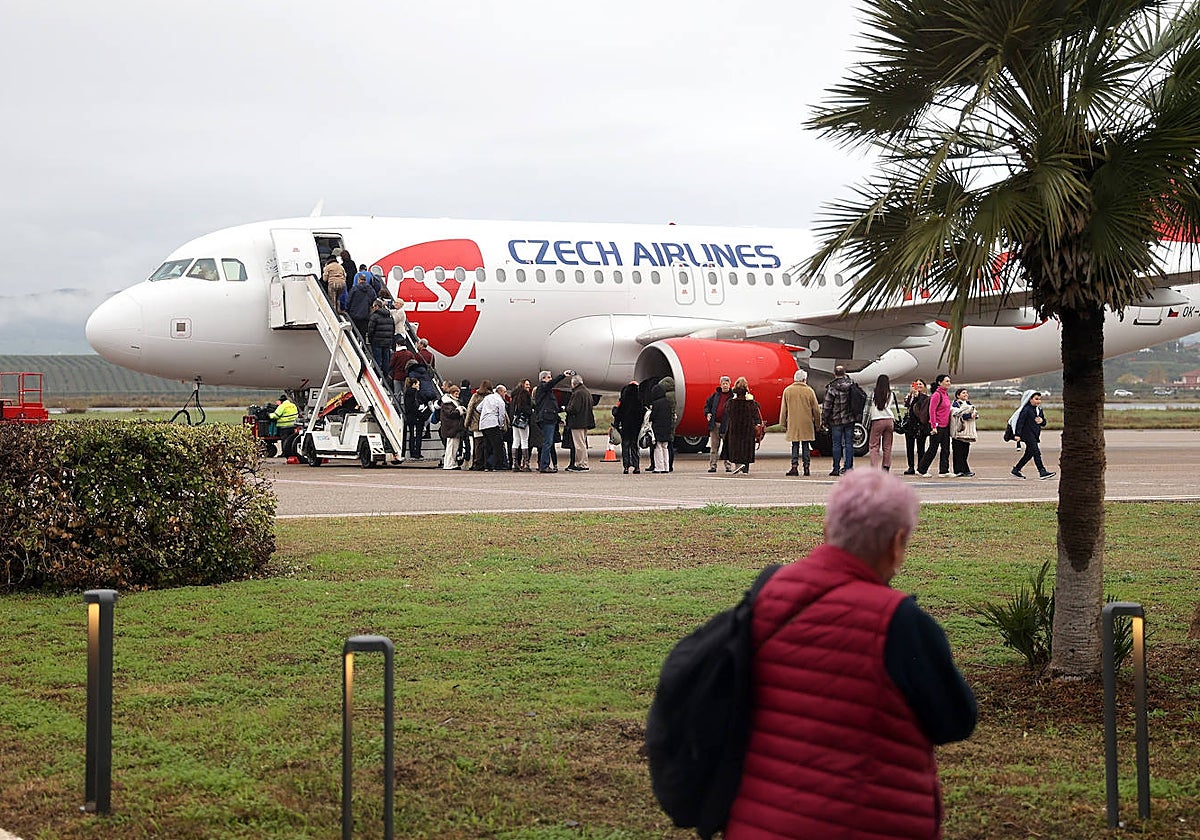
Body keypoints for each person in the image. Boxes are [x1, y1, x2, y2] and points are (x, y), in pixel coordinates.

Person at [723, 469, 977, 839]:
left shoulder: (768, 593)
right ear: (897, 544)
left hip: (759, 822)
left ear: (827, 531)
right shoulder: (901, 623)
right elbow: (956, 720)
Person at [779, 369, 821, 476]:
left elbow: (784, 409)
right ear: (804, 379)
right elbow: (816, 409)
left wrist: (783, 423)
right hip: (806, 422)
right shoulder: (809, 391)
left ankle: (794, 467)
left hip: (793, 422)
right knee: (806, 445)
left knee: (795, 445)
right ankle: (806, 467)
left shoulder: (788, 391)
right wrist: (817, 423)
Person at [1010, 391, 1056, 479]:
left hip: (1035, 435)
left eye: (1039, 399)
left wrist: (1042, 421)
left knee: (1029, 454)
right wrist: (1017, 434)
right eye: (1036, 399)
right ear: (1030, 399)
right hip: (1027, 435)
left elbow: (1044, 423)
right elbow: (1020, 422)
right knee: (1036, 452)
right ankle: (1042, 471)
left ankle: (1016, 469)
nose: (1038, 401)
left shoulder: (1039, 410)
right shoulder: (1026, 410)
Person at [720, 376, 761, 475]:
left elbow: (727, 410)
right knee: (746, 448)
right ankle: (745, 468)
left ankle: (738, 465)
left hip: (735, 429)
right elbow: (756, 413)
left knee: (736, 448)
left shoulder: (731, 402)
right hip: (748, 429)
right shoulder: (751, 403)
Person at [821, 365, 855, 476]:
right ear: (844, 373)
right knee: (849, 444)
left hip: (836, 421)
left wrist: (824, 420)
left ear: (835, 374)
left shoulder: (832, 387)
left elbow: (827, 406)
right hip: (849, 419)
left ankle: (836, 468)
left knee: (836, 445)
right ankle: (848, 467)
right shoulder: (851, 385)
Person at [916, 373, 953, 477]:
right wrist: (933, 426)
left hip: (945, 426)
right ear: (939, 383)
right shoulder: (937, 395)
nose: (948, 383)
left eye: (949, 381)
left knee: (946, 449)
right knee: (933, 449)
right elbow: (932, 411)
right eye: (946, 381)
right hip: (937, 426)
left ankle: (944, 471)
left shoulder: (946, 395)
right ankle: (921, 469)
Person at [533, 370, 569, 473]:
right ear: (543, 379)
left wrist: (558, 418)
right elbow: (550, 385)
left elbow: (551, 406)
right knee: (547, 443)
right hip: (547, 419)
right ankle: (544, 466)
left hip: (550, 418)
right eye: (549, 377)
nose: (551, 379)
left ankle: (545, 464)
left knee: (548, 442)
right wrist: (562, 376)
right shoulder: (542, 387)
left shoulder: (547, 391)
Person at [565, 373, 595, 472]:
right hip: (585, 421)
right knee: (582, 443)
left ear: (574, 383)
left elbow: (574, 408)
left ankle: (582, 464)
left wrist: (566, 408)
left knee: (579, 444)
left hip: (577, 422)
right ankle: (583, 462)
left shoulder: (577, 393)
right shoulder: (586, 392)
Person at [868, 373, 899, 471]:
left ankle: (874, 467)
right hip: (889, 419)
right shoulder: (891, 394)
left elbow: (868, 408)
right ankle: (886, 466)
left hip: (877, 420)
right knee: (887, 445)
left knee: (874, 445)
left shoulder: (873, 393)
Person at [612, 381, 644, 474]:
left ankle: (626, 467)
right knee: (635, 446)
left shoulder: (623, 400)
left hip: (625, 426)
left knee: (625, 446)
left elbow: (618, 414)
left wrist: (616, 425)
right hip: (636, 427)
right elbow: (642, 414)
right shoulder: (639, 399)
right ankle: (636, 466)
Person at [477, 380, 510, 471]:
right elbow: (501, 415)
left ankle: (487, 466)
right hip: (493, 423)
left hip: (483, 424)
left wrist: (485, 413)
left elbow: (478, 408)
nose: (505, 394)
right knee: (497, 445)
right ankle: (495, 465)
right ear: (500, 392)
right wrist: (500, 425)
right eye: (504, 392)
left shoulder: (488, 397)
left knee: (487, 446)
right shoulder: (500, 401)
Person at [704, 376, 734, 473]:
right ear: (720, 385)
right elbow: (707, 405)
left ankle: (728, 465)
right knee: (714, 447)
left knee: (728, 446)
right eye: (723, 384)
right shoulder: (715, 396)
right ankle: (713, 466)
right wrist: (707, 413)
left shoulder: (733, 397)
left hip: (727, 425)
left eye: (726, 384)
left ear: (730, 385)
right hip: (715, 424)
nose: (725, 385)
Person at [902, 379, 930, 475]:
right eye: (916, 384)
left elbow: (923, 406)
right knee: (909, 447)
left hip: (920, 425)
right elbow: (906, 405)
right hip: (910, 425)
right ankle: (911, 466)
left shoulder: (926, 398)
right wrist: (910, 395)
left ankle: (921, 467)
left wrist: (918, 395)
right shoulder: (911, 397)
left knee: (920, 447)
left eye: (920, 384)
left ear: (924, 386)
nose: (918, 386)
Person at [366, 300, 396, 384]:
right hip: (387, 342)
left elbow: (370, 330)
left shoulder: (374, 317)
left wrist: (371, 339)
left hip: (377, 342)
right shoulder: (390, 317)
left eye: (373, 306)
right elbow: (393, 330)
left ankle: (378, 375)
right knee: (386, 359)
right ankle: (386, 376)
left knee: (377, 359)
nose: (373, 308)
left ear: (376, 306)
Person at [951, 387, 979, 477]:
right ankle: (959, 470)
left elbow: (975, 414)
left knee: (965, 452)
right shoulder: (956, 404)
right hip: (958, 431)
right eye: (963, 393)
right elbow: (956, 415)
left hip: (967, 432)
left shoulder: (969, 404)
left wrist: (975, 415)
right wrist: (969, 415)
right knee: (957, 452)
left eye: (966, 393)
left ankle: (964, 469)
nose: (966, 394)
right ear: (958, 395)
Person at [647, 382, 673, 473]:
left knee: (658, 448)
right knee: (665, 447)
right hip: (666, 428)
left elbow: (652, 417)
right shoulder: (668, 402)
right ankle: (666, 467)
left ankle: (659, 467)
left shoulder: (656, 403)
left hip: (658, 428)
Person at [509, 378, 534, 472]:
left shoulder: (514, 395)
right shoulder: (525, 394)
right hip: (523, 420)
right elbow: (525, 408)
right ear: (523, 385)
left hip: (515, 421)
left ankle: (514, 463)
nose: (529, 386)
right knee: (524, 441)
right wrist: (530, 412)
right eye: (527, 384)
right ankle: (526, 464)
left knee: (516, 440)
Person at [438, 385, 465, 469]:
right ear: (451, 393)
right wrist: (459, 410)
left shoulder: (449, 402)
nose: (457, 395)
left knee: (453, 447)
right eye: (456, 393)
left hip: (452, 428)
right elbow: (450, 414)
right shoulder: (447, 402)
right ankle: (449, 464)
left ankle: (451, 463)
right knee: (451, 447)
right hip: (451, 428)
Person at [345, 273, 377, 341]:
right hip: (365, 315)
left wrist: (346, 311)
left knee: (353, 334)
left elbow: (348, 301)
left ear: (359, 280)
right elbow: (374, 299)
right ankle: (362, 348)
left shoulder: (354, 289)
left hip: (354, 315)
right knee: (363, 334)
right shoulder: (371, 289)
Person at [402, 378, 428, 460]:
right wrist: (420, 408)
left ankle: (414, 453)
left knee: (413, 435)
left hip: (412, 417)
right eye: (417, 384)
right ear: (413, 384)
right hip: (416, 417)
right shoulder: (413, 393)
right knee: (417, 435)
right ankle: (416, 453)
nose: (418, 386)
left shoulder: (409, 393)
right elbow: (412, 406)